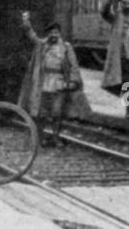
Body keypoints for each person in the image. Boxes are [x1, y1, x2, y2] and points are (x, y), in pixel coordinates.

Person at [19, 13, 83, 147]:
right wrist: (26, 22)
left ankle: (55, 137)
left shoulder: (66, 47)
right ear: (48, 34)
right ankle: (40, 138)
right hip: (43, 83)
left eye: (56, 32)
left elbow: (74, 65)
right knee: (40, 113)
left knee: (57, 113)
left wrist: (72, 81)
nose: (54, 35)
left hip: (59, 83)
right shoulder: (42, 45)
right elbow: (31, 35)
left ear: (60, 33)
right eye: (51, 33)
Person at [101, 0, 129, 119]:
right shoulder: (116, 17)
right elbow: (104, 13)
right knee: (128, 83)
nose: (126, 5)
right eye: (124, 3)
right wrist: (109, 0)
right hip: (123, 55)